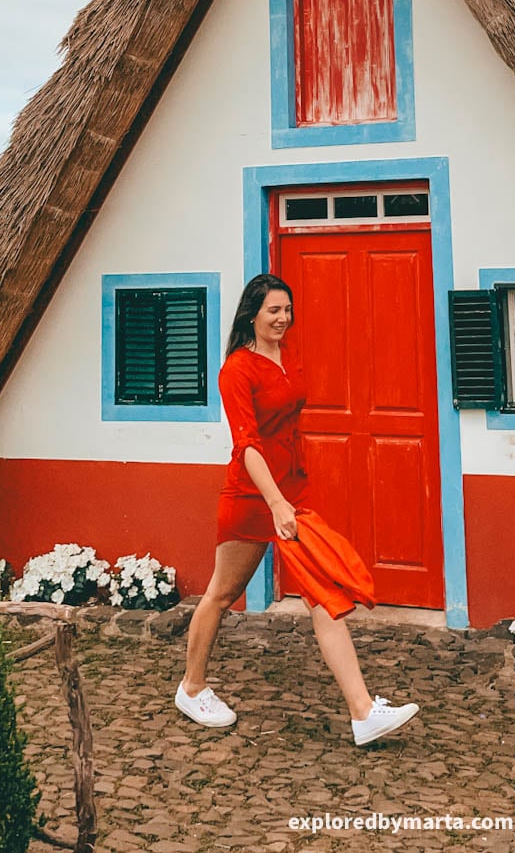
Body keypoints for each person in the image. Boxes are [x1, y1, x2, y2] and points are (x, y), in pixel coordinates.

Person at [175, 272, 420, 746]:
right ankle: (192, 687)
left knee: (323, 594)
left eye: (288, 310)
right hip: (253, 498)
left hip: (292, 495)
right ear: (252, 314)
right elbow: (246, 443)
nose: (283, 318)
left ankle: (363, 711)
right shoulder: (237, 370)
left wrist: (291, 494)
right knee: (222, 595)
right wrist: (274, 502)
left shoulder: (287, 357)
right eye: (274, 310)